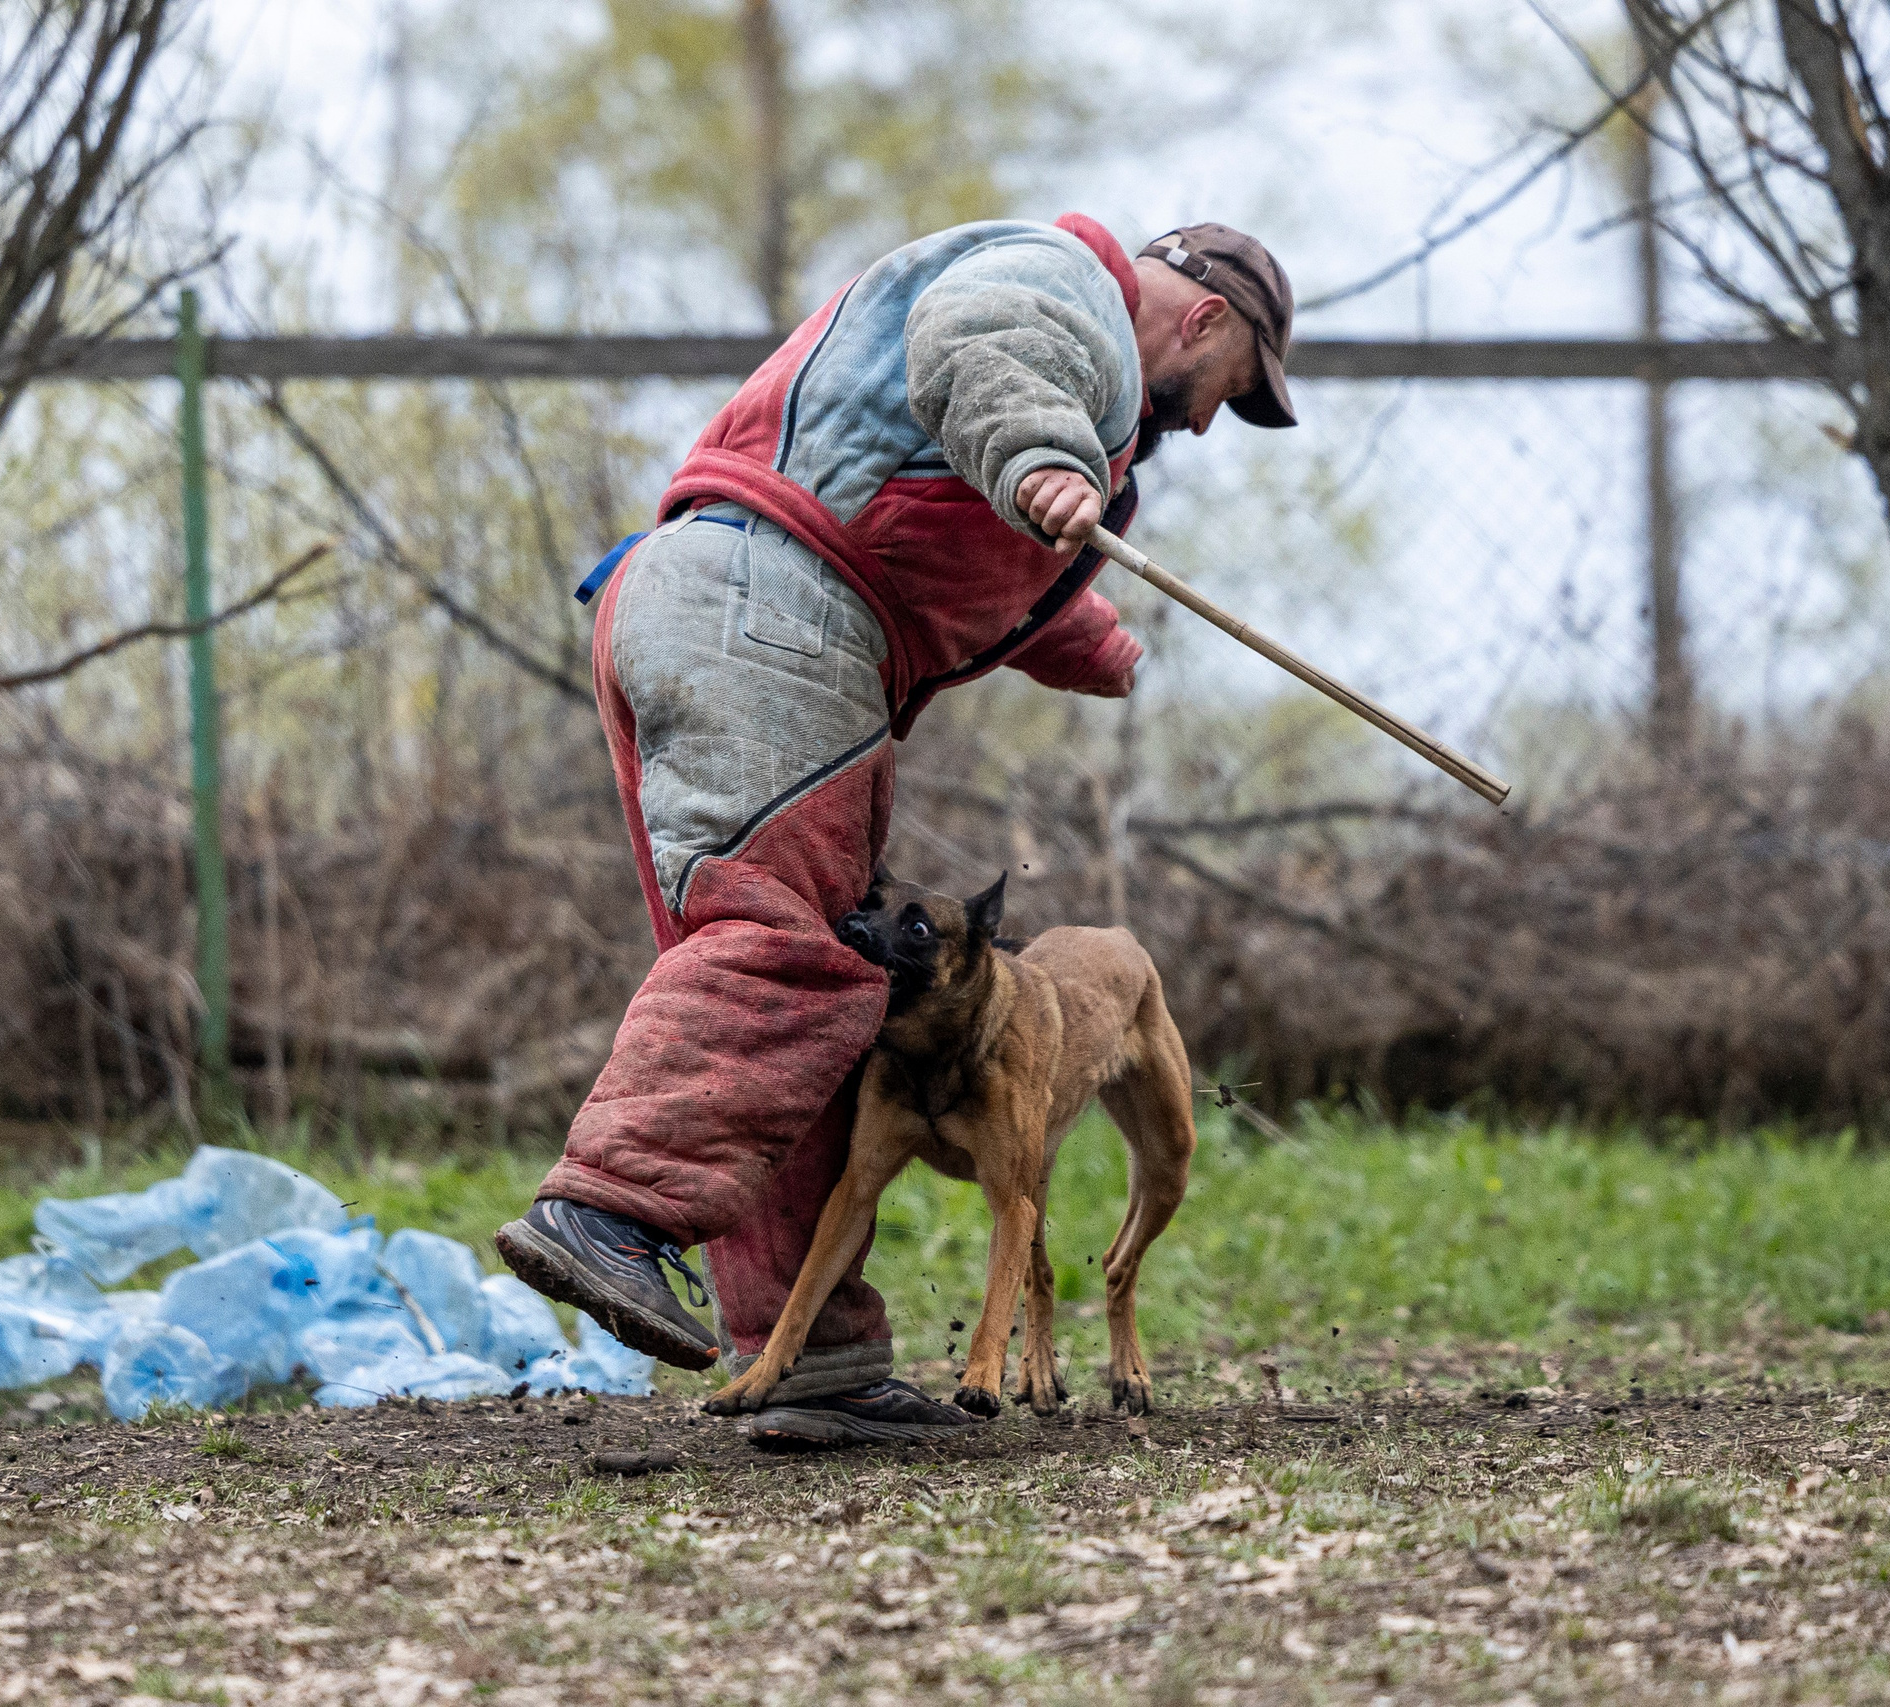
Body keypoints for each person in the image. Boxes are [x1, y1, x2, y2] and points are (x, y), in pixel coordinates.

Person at [498, 217, 1297, 1448]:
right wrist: (1039, 458)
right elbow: (978, 352)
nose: (1196, 424)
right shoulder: (1061, 285)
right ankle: (607, 1212)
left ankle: (811, 1358)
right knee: (790, 956)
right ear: (1201, 316)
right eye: (1219, 389)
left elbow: (937, 515)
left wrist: (1091, 639)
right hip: (776, 622)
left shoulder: (1080, 395)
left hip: (711, 605)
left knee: (812, 987)